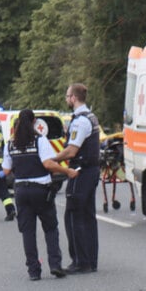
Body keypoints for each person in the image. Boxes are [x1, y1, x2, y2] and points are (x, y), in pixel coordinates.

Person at [3, 109, 78, 280]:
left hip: (21, 190)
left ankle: (34, 271)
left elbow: (6, 169)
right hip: (40, 189)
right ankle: (55, 265)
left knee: (28, 232)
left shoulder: (11, 144)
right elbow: (48, 163)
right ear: (34, 121)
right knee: (50, 228)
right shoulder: (39, 140)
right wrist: (67, 171)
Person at [53, 83, 101, 274]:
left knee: (73, 215)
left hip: (81, 171)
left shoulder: (80, 121)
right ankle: (90, 260)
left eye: (67, 96)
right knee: (88, 216)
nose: (66, 99)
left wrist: (51, 160)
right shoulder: (91, 116)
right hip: (91, 170)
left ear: (73, 98)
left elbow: (72, 150)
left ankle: (80, 261)